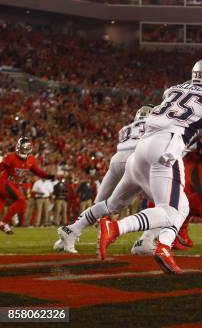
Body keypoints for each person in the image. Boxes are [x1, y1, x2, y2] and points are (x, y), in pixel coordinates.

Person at [59, 58, 202, 275]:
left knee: (127, 204)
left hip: (141, 148)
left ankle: (159, 246)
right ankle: (116, 228)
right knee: (170, 211)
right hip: (167, 148)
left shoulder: (174, 89)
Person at [56, 105, 153, 253]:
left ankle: (71, 231)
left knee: (99, 205)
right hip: (135, 160)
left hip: (116, 161)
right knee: (169, 204)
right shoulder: (155, 124)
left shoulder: (126, 128)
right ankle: (146, 241)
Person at [0, 137, 54, 233]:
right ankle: (4, 223)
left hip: (14, 184)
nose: (23, 151)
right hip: (4, 182)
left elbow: (38, 172)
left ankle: (3, 223)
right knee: (21, 201)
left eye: (25, 149)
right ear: (18, 147)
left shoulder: (31, 160)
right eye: (22, 148)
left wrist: (48, 176)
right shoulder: (10, 157)